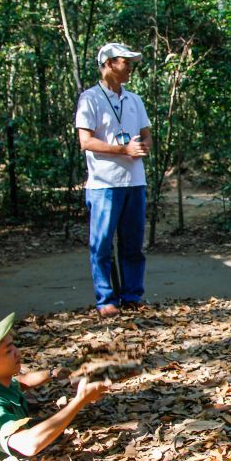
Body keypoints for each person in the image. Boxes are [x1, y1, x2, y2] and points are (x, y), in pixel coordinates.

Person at [0, 313, 109, 458]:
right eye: (9, 351)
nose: (17, 353)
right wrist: (80, 400)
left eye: (13, 345)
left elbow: (21, 382)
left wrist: (53, 373)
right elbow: (29, 444)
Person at [76, 43, 152, 318]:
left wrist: (143, 146)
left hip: (134, 180)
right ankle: (106, 299)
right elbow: (85, 141)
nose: (130, 67)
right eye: (125, 62)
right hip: (104, 183)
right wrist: (123, 149)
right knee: (103, 243)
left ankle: (132, 295)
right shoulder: (90, 98)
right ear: (108, 64)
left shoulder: (135, 100)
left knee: (133, 243)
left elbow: (146, 133)